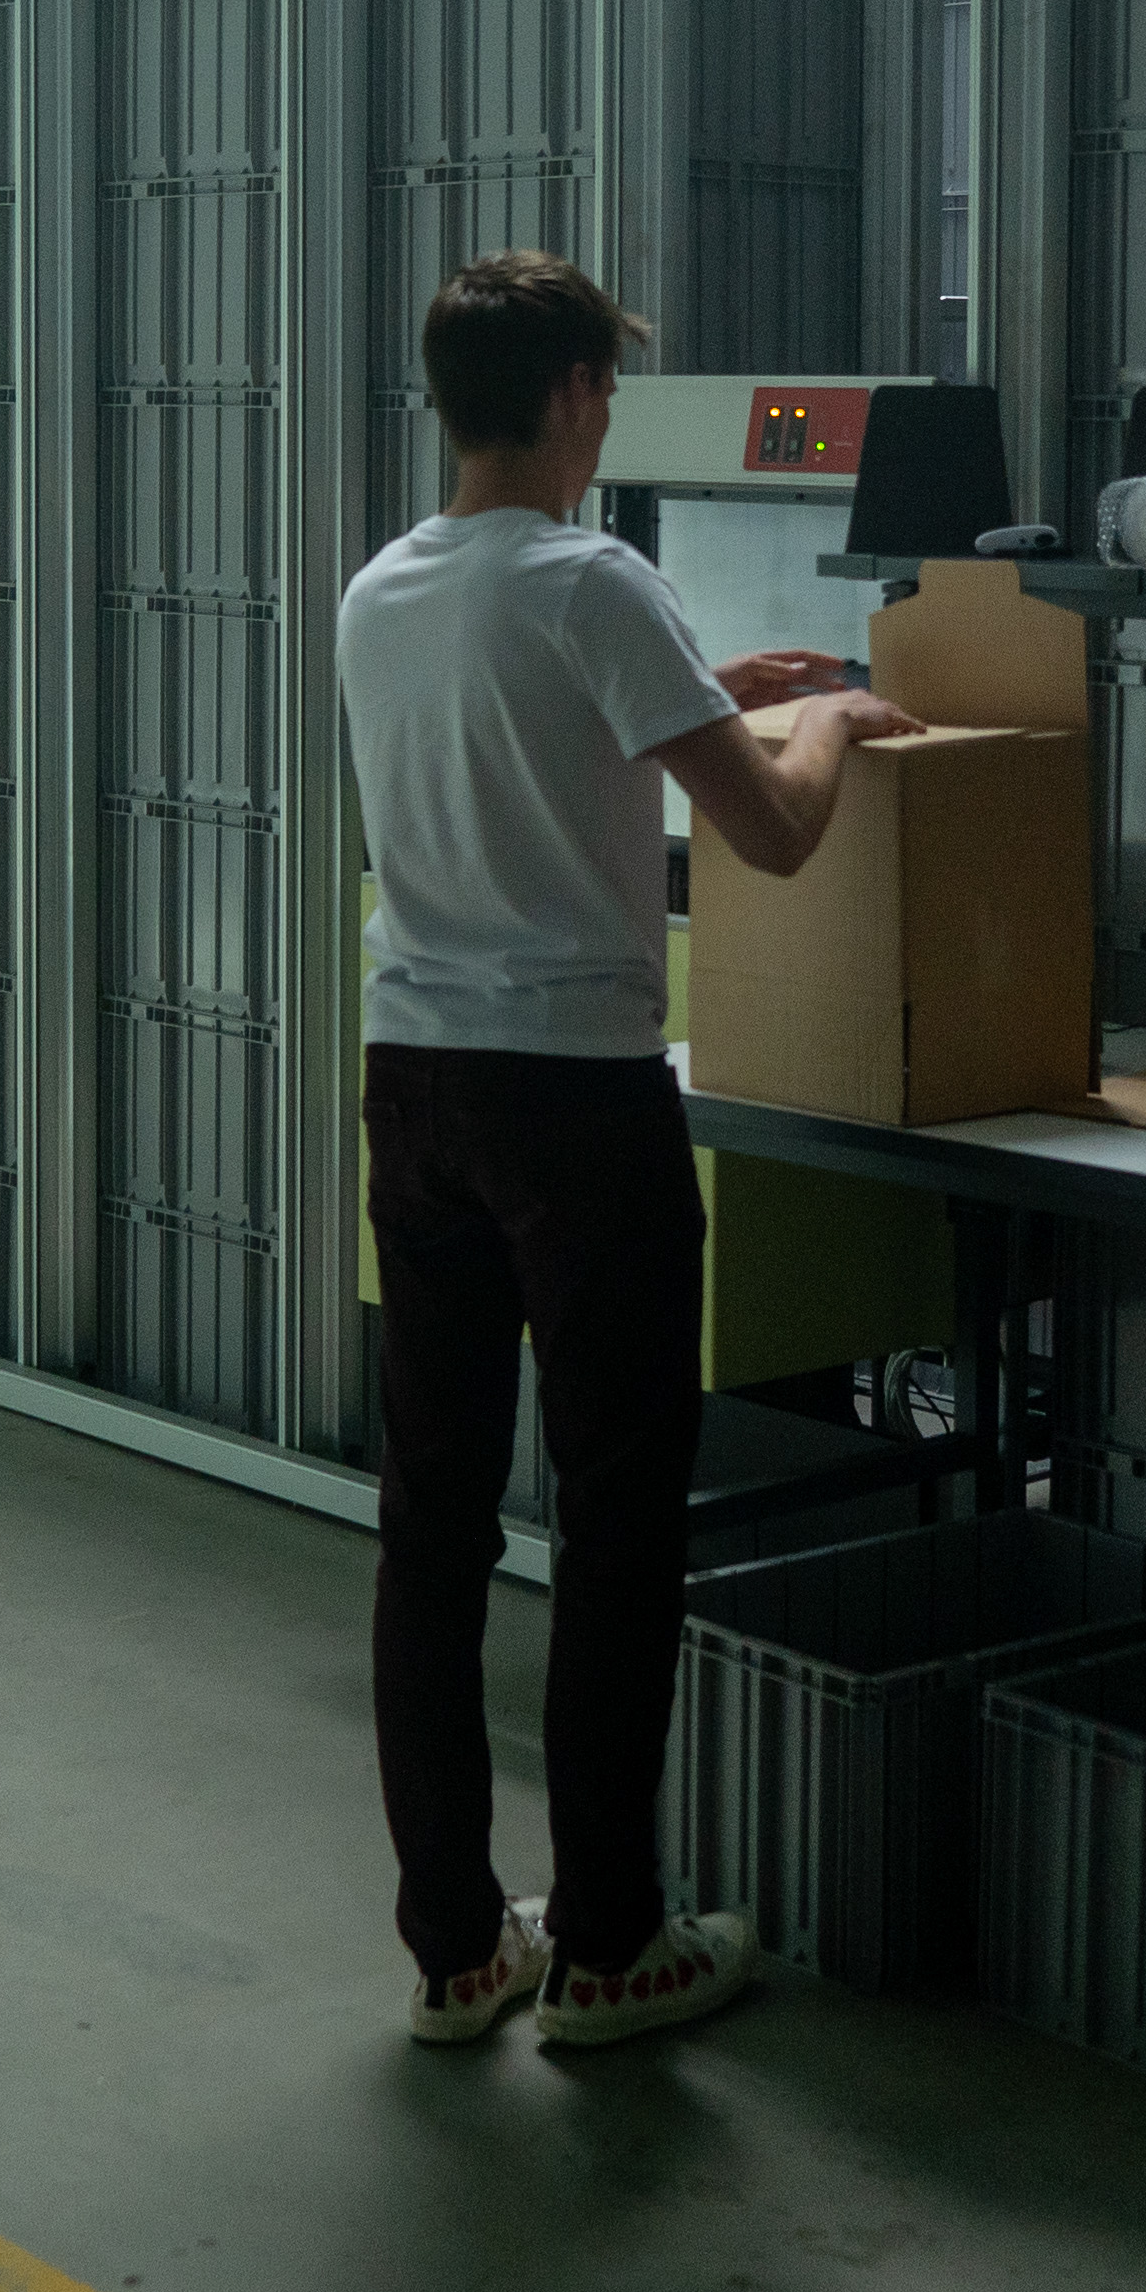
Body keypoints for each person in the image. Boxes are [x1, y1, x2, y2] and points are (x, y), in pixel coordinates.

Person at [340, 252, 920, 2053]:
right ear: (581, 394)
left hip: (415, 1084)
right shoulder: (595, 581)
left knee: (432, 1531)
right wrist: (827, 712)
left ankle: (456, 1951)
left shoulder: (384, 587)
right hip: (574, 1108)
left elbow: (545, 722)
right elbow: (777, 836)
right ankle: (611, 1945)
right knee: (616, 1526)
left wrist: (702, 676)